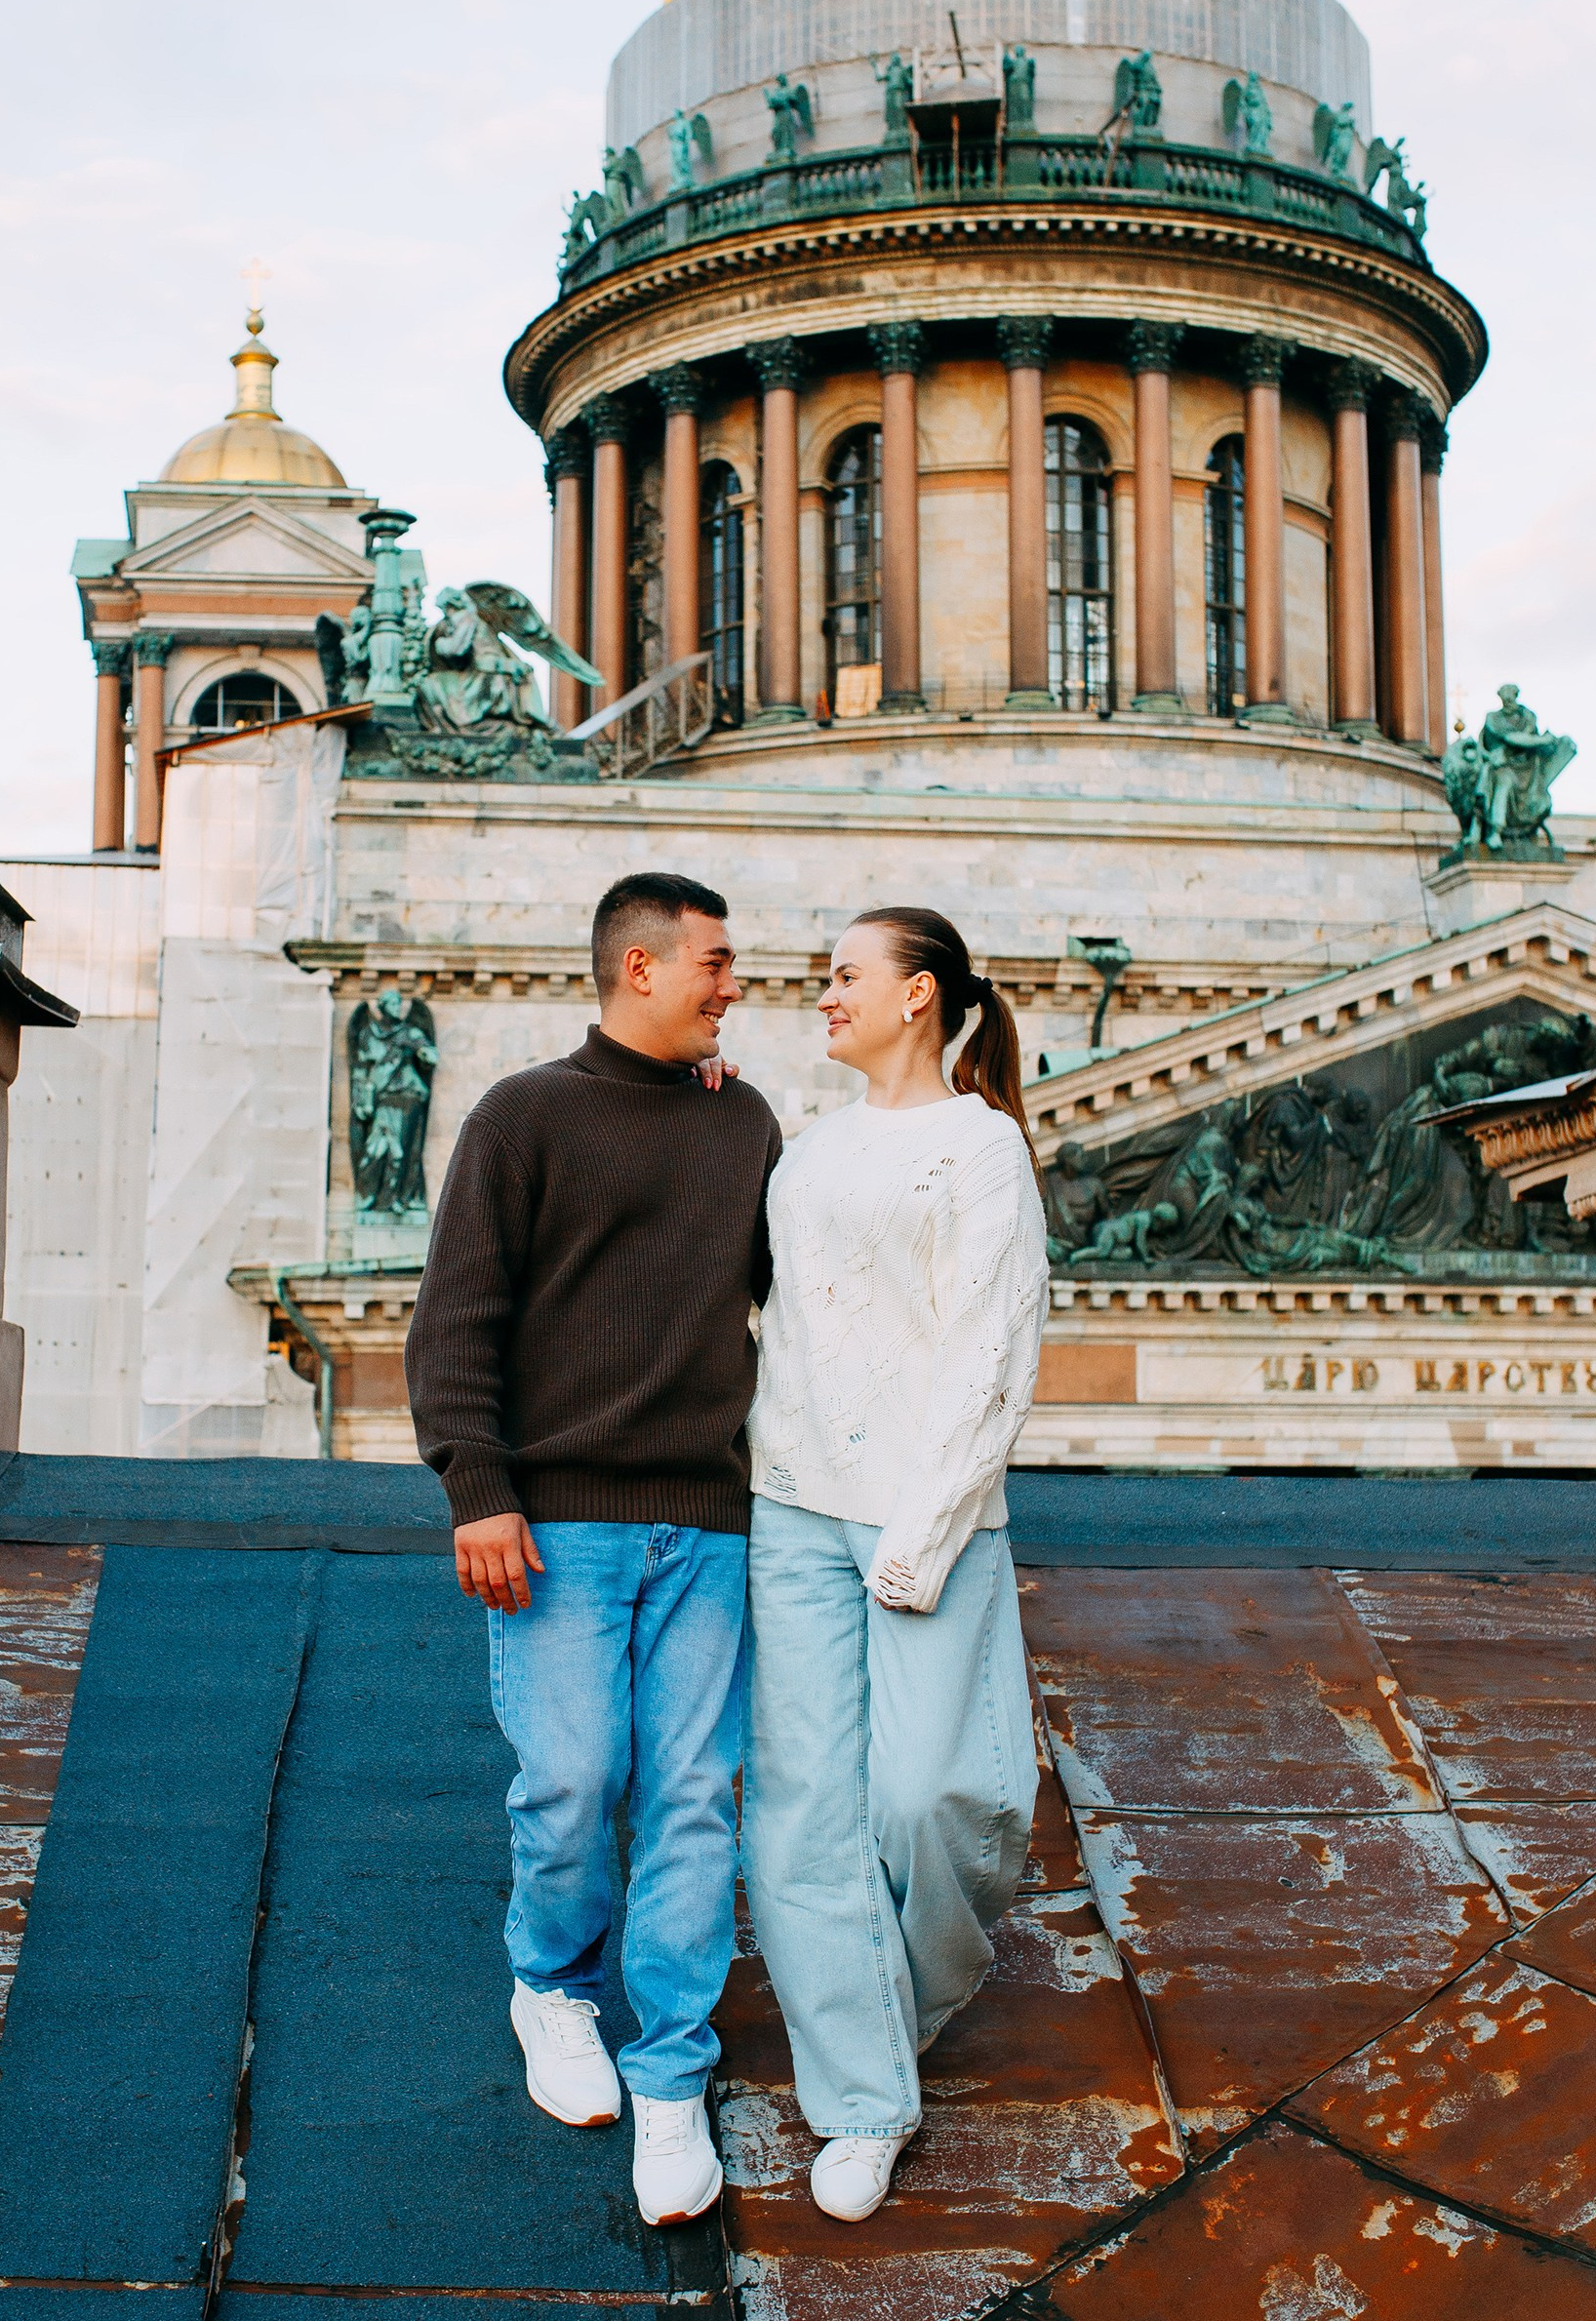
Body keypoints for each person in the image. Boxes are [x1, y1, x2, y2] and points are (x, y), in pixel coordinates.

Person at [403, 870, 780, 2228]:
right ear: (640, 967)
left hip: (709, 1523)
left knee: (691, 1800)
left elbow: (802, 1295)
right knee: (573, 1776)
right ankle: (551, 1986)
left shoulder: (745, 1124)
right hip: (553, 1523)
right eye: (717, 963)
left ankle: (671, 2073)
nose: (736, 983)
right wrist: (478, 1488)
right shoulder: (524, 1116)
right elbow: (457, 1315)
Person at [740, 905, 1051, 2223]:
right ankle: (862, 2100)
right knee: (804, 1818)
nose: (825, 997)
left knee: (941, 1797)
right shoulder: (805, 1151)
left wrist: (920, 1537)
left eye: (844, 979)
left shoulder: (983, 1153)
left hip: (928, 1513)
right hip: (793, 1503)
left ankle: (889, 2003)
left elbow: (992, 1352)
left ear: (919, 996)